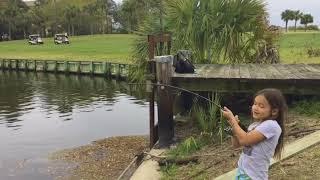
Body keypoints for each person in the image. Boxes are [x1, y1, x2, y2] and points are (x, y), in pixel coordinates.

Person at [221, 88, 287, 180]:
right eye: (255, 104)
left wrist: (233, 121)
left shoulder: (271, 125)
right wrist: (234, 129)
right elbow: (237, 145)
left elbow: (245, 140)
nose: (255, 107)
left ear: (274, 111)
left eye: (261, 106)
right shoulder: (254, 125)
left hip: (254, 176)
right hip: (243, 172)